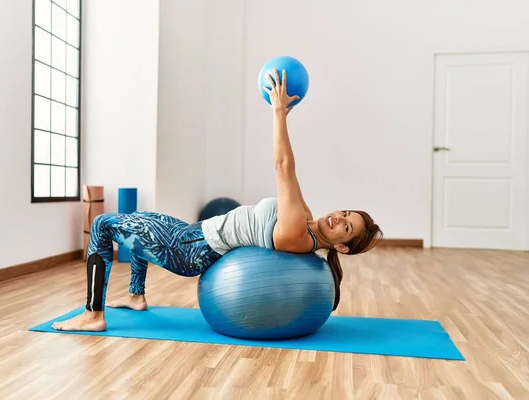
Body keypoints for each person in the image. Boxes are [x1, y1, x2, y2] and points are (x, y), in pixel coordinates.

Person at [52, 69, 383, 332]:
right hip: (194, 233)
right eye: (345, 212)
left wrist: (279, 113)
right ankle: (136, 296)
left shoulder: (299, 232)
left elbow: (284, 167)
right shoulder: (307, 217)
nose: (338, 218)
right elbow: (289, 177)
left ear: (341, 247)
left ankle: (93, 314)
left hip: (189, 250)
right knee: (139, 219)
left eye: (346, 227)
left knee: (103, 223)